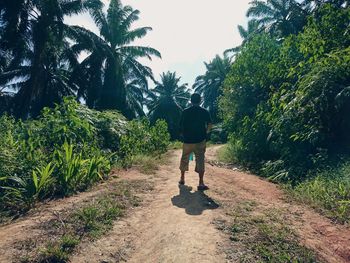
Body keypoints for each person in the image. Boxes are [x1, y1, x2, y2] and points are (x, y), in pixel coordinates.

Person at [179, 93, 212, 190]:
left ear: (191, 100)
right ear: (200, 100)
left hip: (188, 140)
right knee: (200, 159)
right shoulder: (204, 111)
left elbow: (180, 125)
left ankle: (182, 178)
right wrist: (206, 134)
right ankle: (201, 183)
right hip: (200, 140)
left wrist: (182, 135)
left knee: (184, 158)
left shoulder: (185, 111)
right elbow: (210, 124)